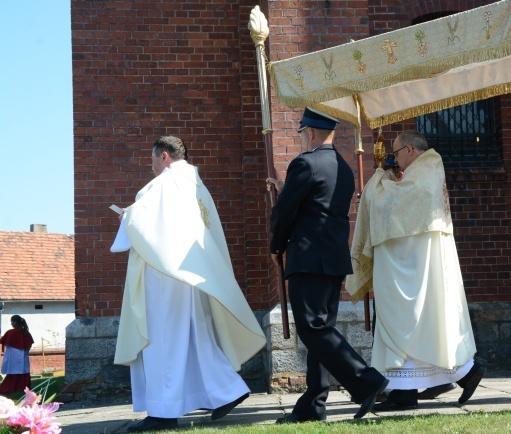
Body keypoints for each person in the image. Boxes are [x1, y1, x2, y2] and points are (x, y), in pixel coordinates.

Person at [110, 135, 266, 432]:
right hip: (193, 275)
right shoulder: (198, 187)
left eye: (153, 159)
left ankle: (163, 412)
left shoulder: (163, 184)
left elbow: (140, 222)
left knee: (162, 339)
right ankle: (227, 391)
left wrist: (125, 219)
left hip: (165, 276)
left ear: (165, 156)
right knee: (196, 338)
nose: (152, 166)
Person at [347, 130, 485, 411]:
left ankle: (409, 392)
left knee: (403, 319)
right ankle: (456, 376)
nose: (395, 161)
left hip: (411, 266)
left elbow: (387, 204)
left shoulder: (422, 175)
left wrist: (378, 178)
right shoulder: (427, 170)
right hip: (416, 262)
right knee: (422, 325)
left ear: (409, 149)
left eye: (396, 154)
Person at [267, 107, 389, 423]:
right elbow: (315, 206)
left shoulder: (304, 164)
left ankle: (366, 381)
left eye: (301, 134)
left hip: (308, 258)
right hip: (333, 258)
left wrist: (276, 245)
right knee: (321, 331)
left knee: (313, 328)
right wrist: (286, 195)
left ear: (309, 132)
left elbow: (284, 214)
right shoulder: (343, 168)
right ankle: (313, 404)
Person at [0, 315, 34, 395]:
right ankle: (23, 388)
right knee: (24, 371)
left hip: (13, 357)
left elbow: (2, 341)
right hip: (24, 357)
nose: (11, 323)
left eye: (12, 321)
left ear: (15, 322)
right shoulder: (26, 333)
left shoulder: (11, 332)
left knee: (13, 372)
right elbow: (29, 345)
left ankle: (12, 388)